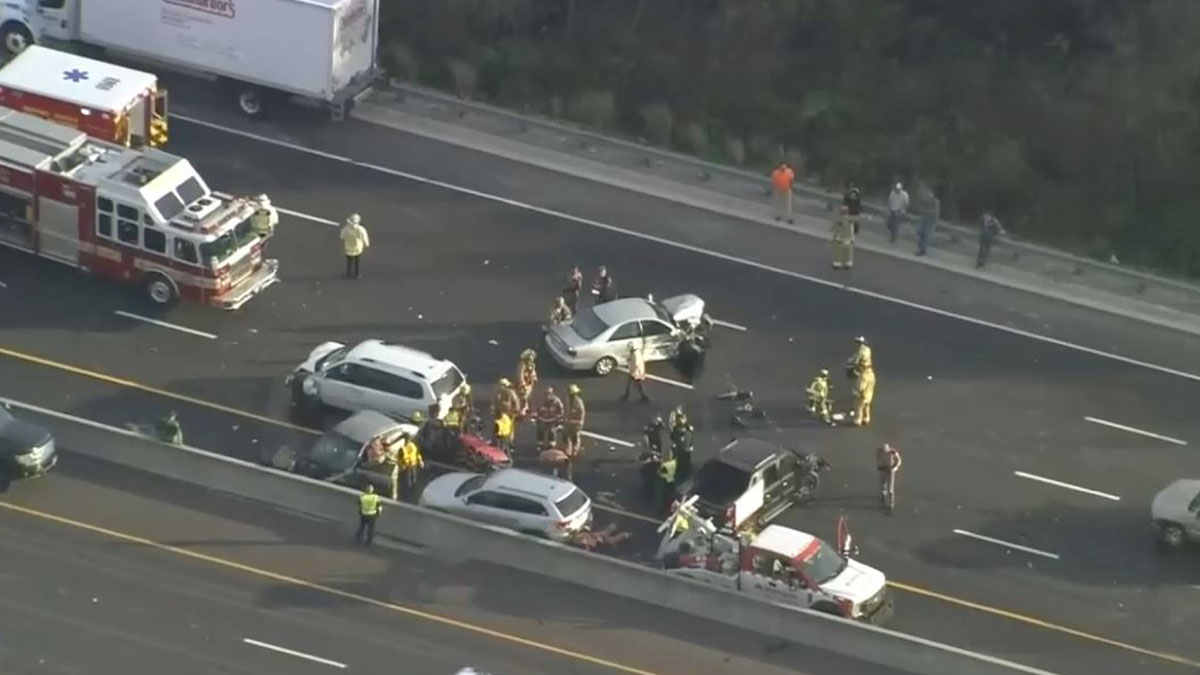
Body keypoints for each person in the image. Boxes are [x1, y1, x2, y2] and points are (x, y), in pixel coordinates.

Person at [340, 213, 370, 279]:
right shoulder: (361, 229)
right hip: (358, 248)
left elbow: (342, 236)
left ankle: (348, 274)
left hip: (348, 248)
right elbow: (364, 237)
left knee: (349, 262)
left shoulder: (346, 229)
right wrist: (366, 244)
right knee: (357, 262)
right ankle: (357, 274)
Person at [535, 386, 565, 452]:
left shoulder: (557, 401)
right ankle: (540, 444)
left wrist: (558, 419)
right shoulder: (541, 400)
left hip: (552, 420)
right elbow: (537, 409)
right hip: (542, 419)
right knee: (540, 431)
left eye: (549, 394)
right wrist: (537, 417)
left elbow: (561, 411)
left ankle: (552, 444)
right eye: (546, 394)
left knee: (552, 432)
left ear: (552, 394)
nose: (547, 395)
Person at [876, 443, 902, 514]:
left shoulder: (893, 452)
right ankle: (883, 496)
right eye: (884, 451)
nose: (885, 452)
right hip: (883, 470)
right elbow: (877, 458)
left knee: (890, 488)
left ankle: (891, 503)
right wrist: (879, 464)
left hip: (890, 471)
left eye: (886, 451)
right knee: (882, 484)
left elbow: (899, 460)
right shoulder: (879, 451)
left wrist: (895, 468)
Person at [669, 411, 695, 483]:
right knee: (678, 461)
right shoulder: (675, 428)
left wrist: (691, 445)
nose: (683, 420)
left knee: (686, 460)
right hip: (679, 448)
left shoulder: (688, 427)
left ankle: (686, 472)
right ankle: (678, 472)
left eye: (683, 419)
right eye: (681, 419)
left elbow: (691, 436)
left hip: (685, 448)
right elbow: (672, 437)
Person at [399, 432, 424, 500]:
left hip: (412, 464)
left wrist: (420, 461)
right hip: (407, 466)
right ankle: (407, 496)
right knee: (407, 481)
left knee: (413, 480)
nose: (407, 440)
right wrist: (402, 464)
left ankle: (411, 494)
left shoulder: (411, 446)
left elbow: (417, 454)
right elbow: (401, 457)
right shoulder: (403, 447)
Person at [916, 184, 939, 256]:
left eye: (930, 193)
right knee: (920, 233)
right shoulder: (925, 200)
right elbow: (920, 209)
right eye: (927, 193)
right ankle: (921, 247)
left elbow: (935, 211)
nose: (928, 195)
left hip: (931, 221)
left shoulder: (935, 201)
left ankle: (923, 250)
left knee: (926, 236)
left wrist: (925, 211)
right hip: (924, 219)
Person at [564, 384, 586, 458]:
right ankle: (568, 449)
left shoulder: (578, 402)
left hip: (576, 423)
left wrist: (579, 422)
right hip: (569, 422)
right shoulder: (568, 400)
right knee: (566, 436)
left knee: (575, 437)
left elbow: (581, 413)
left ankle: (575, 450)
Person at [515, 349, 538, 418]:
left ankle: (526, 407)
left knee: (528, 396)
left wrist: (534, 377)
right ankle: (521, 410)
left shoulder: (532, 365)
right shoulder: (522, 365)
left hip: (529, 383)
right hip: (523, 384)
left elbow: (533, 372)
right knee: (523, 397)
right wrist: (522, 383)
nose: (531, 359)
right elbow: (520, 374)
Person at [831, 206, 856, 270]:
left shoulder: (839, 220)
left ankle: (837, 264)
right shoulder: (850, 220)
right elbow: (852, 229)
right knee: (847, 252)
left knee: (839, 252)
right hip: (848, 239)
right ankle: (847, 264)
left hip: (841, 239)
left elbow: (837, 230)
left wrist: (836, 238)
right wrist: (852, 238)